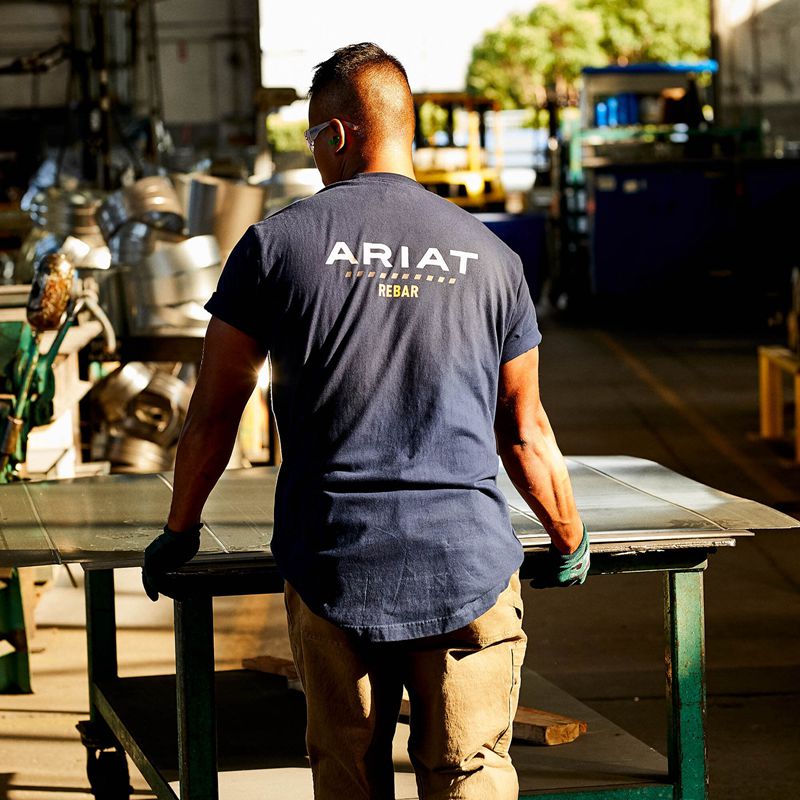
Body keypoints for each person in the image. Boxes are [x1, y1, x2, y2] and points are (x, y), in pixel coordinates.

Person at [142, 42, 588, 800]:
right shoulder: (492, 256)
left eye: (314, 137)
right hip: (466, 567)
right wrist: (568, 538)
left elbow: (214, 415)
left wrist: (181, 530)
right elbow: (525, 431)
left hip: (333, 564)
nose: (314, 156)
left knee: (348, 778)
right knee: (470, 776)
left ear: (341, 135)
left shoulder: (275, 246)